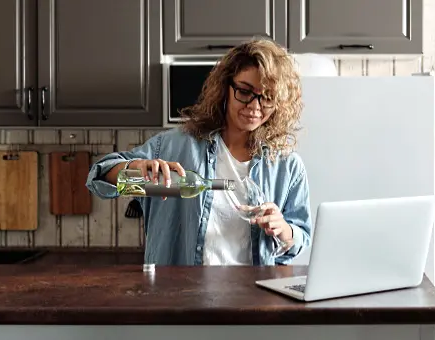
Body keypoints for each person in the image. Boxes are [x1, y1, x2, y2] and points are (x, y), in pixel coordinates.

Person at [85, 39, 312, 266]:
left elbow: (300, 238)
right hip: (180, 295)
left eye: (268, 97)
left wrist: (284, 231)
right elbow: (99, 178)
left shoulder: (287, 166)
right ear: (225, 88)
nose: (255, 106)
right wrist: (134, 169)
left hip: (250, 297)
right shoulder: (175, 146)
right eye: (244, 91)